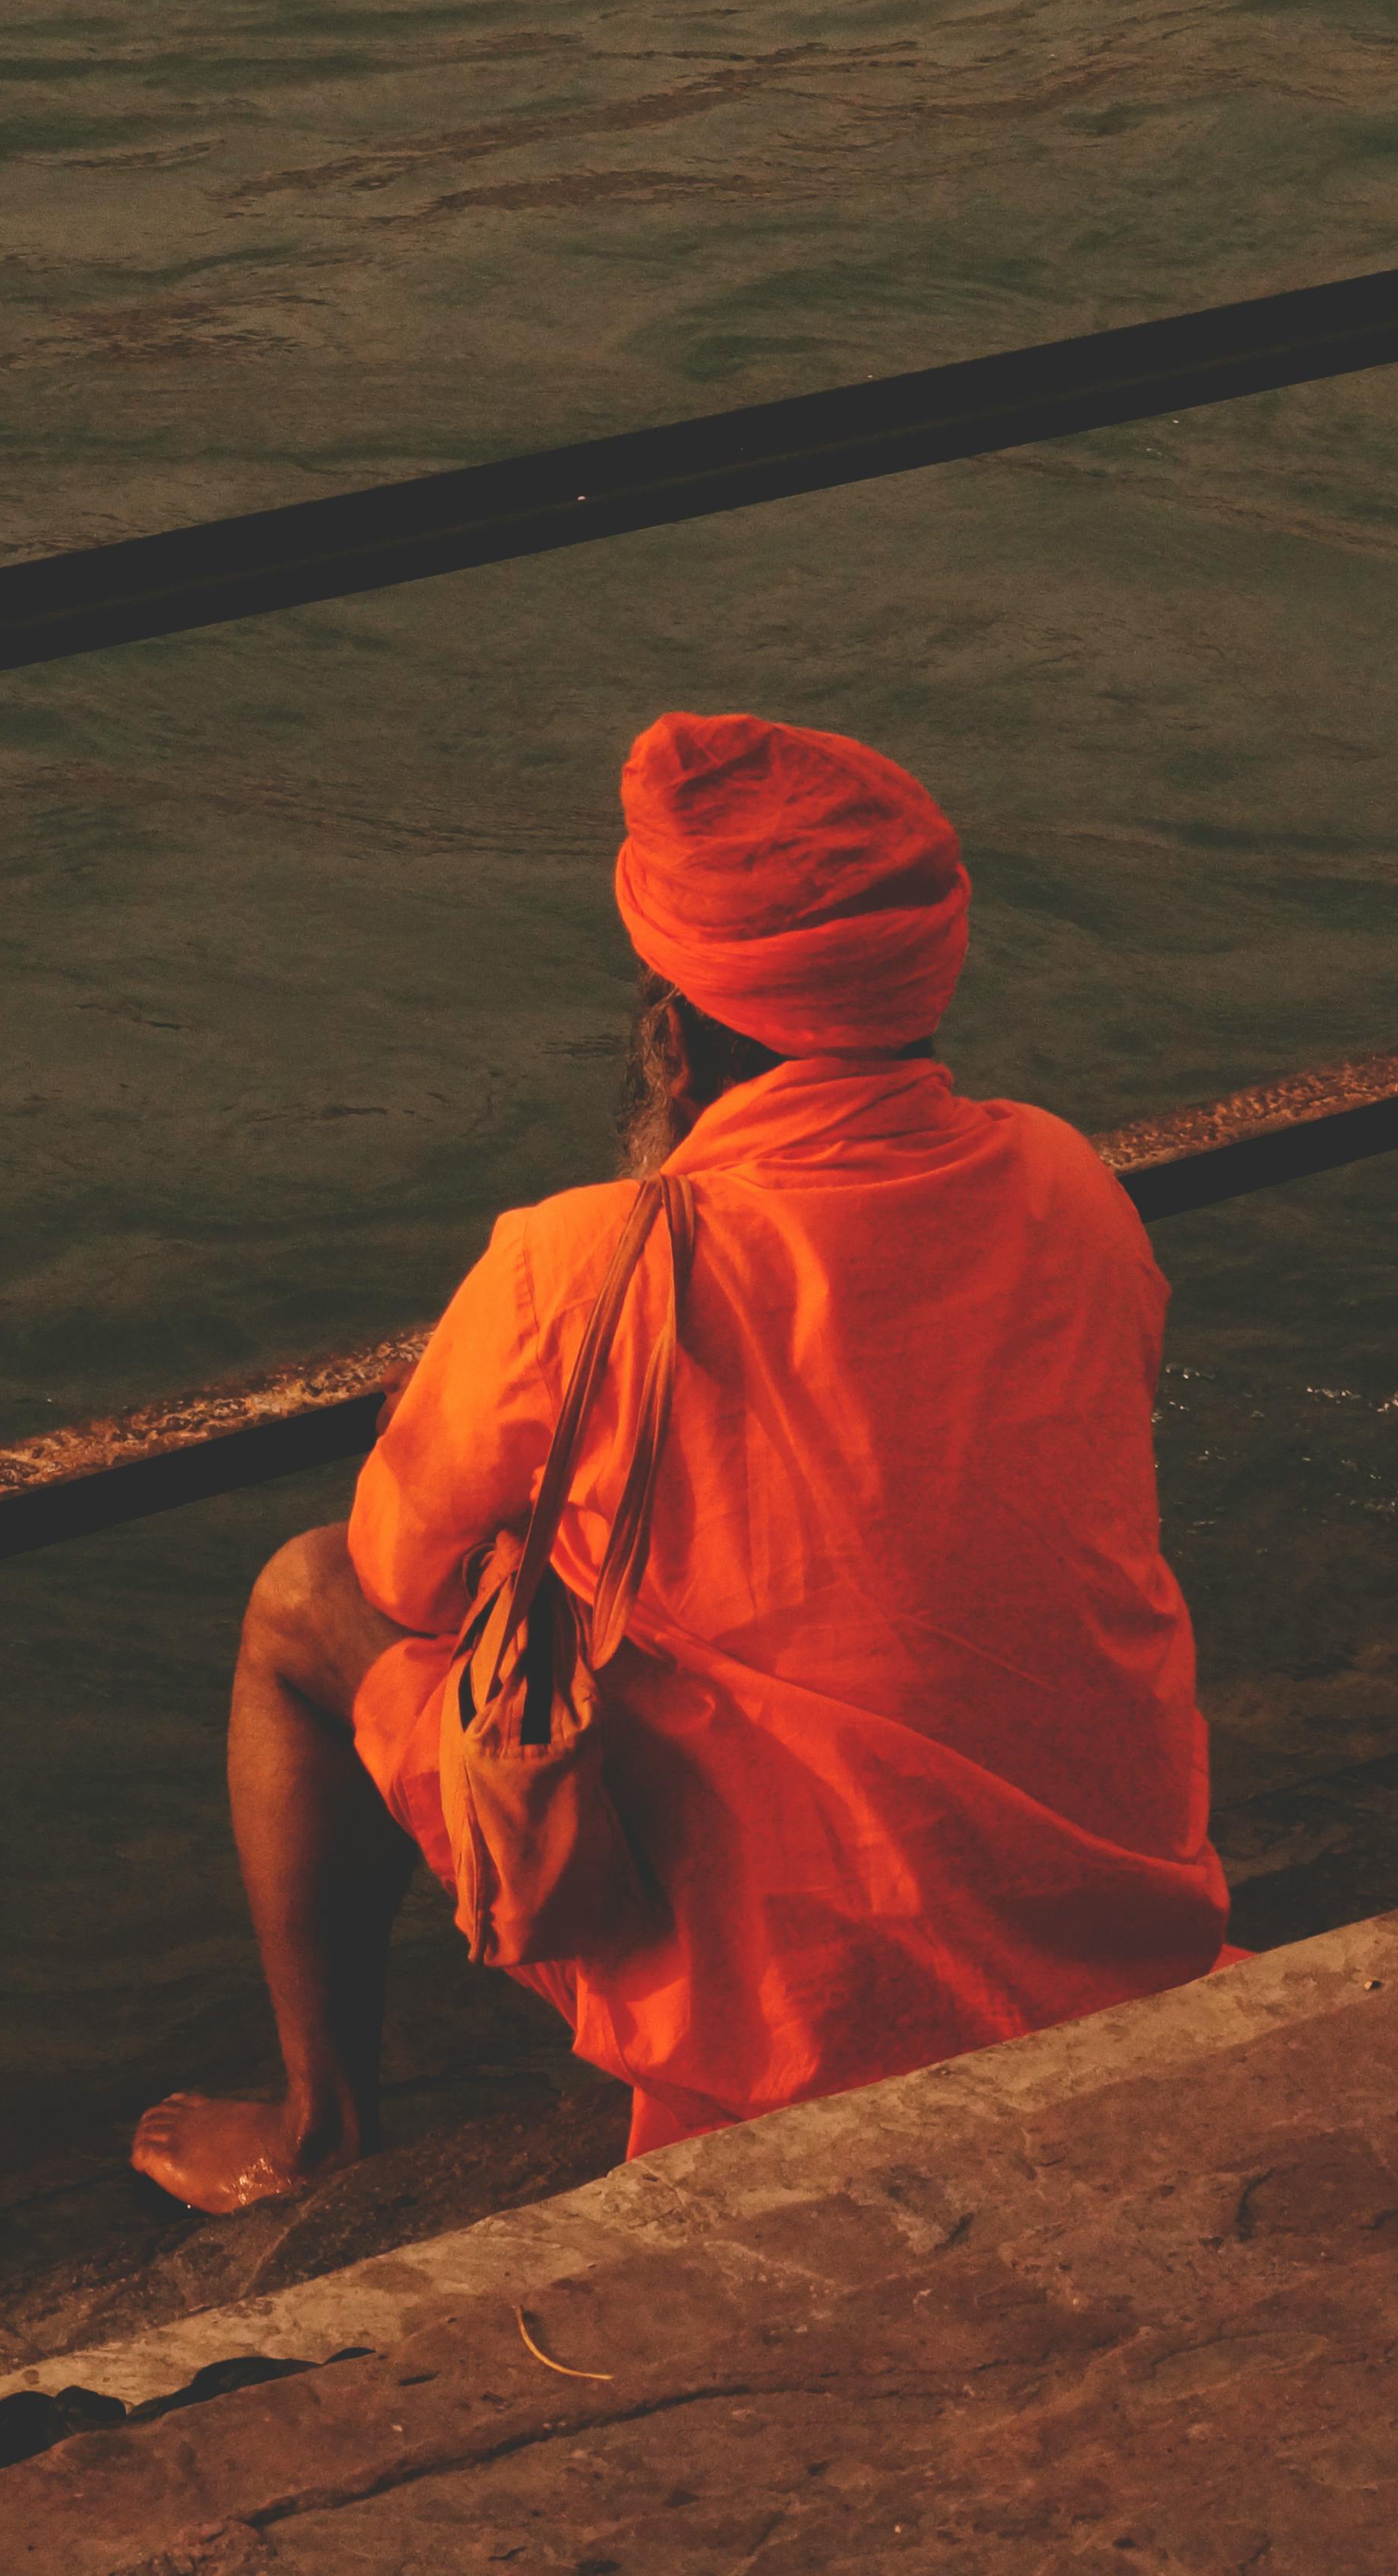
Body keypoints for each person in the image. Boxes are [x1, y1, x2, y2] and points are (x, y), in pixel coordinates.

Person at [130, 710, 1229, 2213]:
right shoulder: (1063, 1177)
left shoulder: (590, 1257)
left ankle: (319, 2124)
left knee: (301, 1596)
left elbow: (398, 1572)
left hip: (801, 1980)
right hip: (1115, 1915)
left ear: (671, 1027)